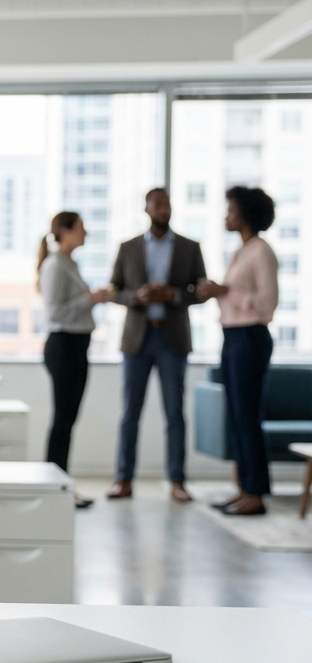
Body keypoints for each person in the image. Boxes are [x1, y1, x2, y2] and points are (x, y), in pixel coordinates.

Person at [106, 188, 209, 502]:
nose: (164, 209)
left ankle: (177, 481)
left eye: (167, 204)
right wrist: (136, 297)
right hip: (137, 338)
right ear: (147, 209)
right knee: (130, 413)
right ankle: (123, 479)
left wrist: (174, 295)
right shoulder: (128, 248)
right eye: (158, 205)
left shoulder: (190, 248)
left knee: (175, 413)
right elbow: (114, 290)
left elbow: (201, 290)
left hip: (172, 338)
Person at [197, 187, 279, 516]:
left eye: (230, 209)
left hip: (251, 337)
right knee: (236, 416)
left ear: (244, 214)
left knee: (248, 417)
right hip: (232, 337)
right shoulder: (242, 251)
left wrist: (228, 290)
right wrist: (220, 292)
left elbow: (267, 304)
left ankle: (256, 493)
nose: (225, 215)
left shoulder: (261, 252)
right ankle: (245, 488)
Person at [37, 212, 111, 508]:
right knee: (63, 420)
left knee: (68, 420)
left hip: (77, 345)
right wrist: (90, 299)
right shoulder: (54, 265)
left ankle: (60, 485)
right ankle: (56, 487)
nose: (86, 233)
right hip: (64, 346)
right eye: (81, 227)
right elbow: (54, 313)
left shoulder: (69, 264)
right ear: (65, 231)